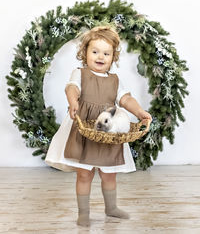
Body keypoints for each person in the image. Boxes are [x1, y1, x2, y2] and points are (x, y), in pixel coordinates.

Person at [45, 25, 152, 227]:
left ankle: (111, 207)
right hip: (85, 129)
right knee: (84, 173)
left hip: (107, 132)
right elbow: (71, 88)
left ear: (113, 57)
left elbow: (126, 99)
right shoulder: (80, 73)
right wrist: (73, 101)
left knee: (109, 173)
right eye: (95, 51)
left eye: (106, 53)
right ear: (85, 53)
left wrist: (139, 112)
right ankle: (83, 212)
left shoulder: (114, 80)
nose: (100, 57)